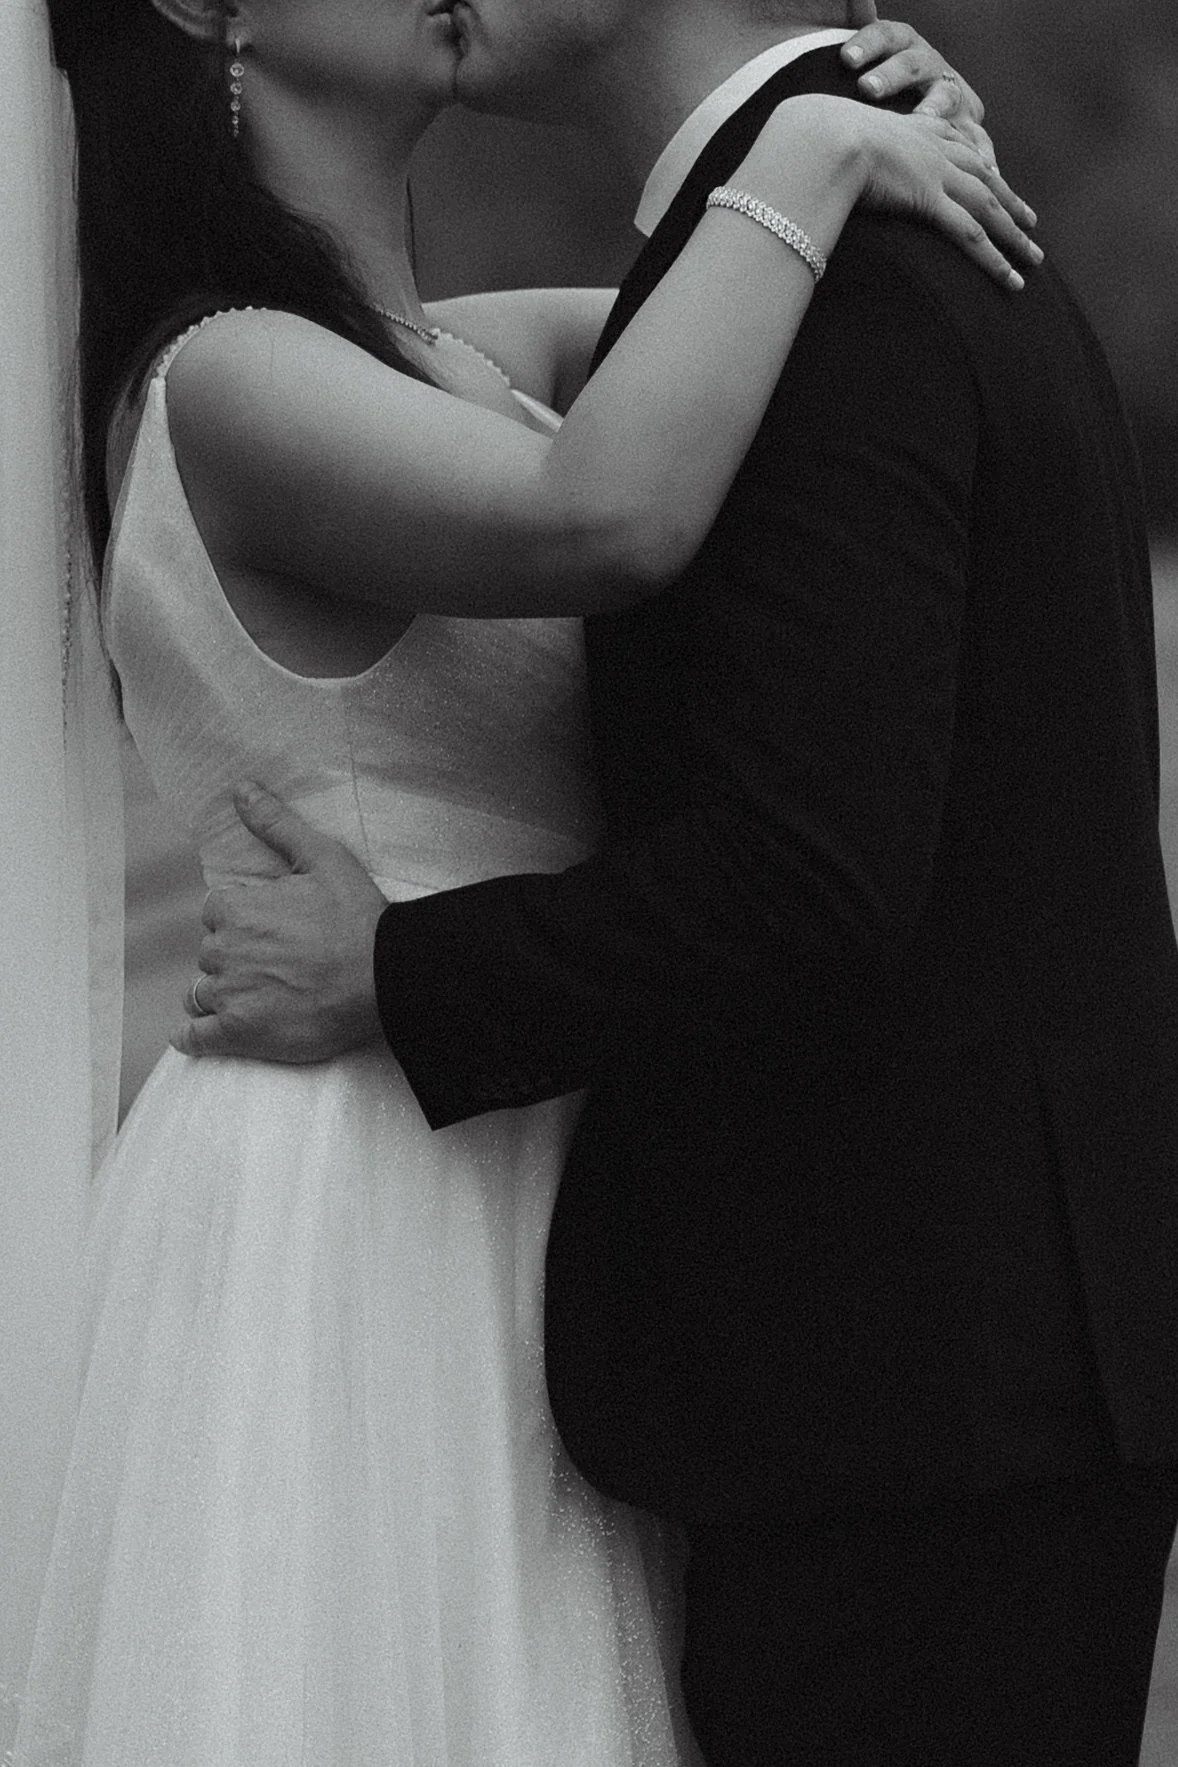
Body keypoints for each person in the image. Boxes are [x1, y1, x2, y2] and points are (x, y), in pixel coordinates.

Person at [9, 0, 1036, 1758]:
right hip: (360, 1181)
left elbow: (738, 308)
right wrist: (817, 138)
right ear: (216, 13)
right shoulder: (228, 375)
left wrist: (873, 77)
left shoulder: (445, 358)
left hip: (523, 1140)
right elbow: (602, 515)